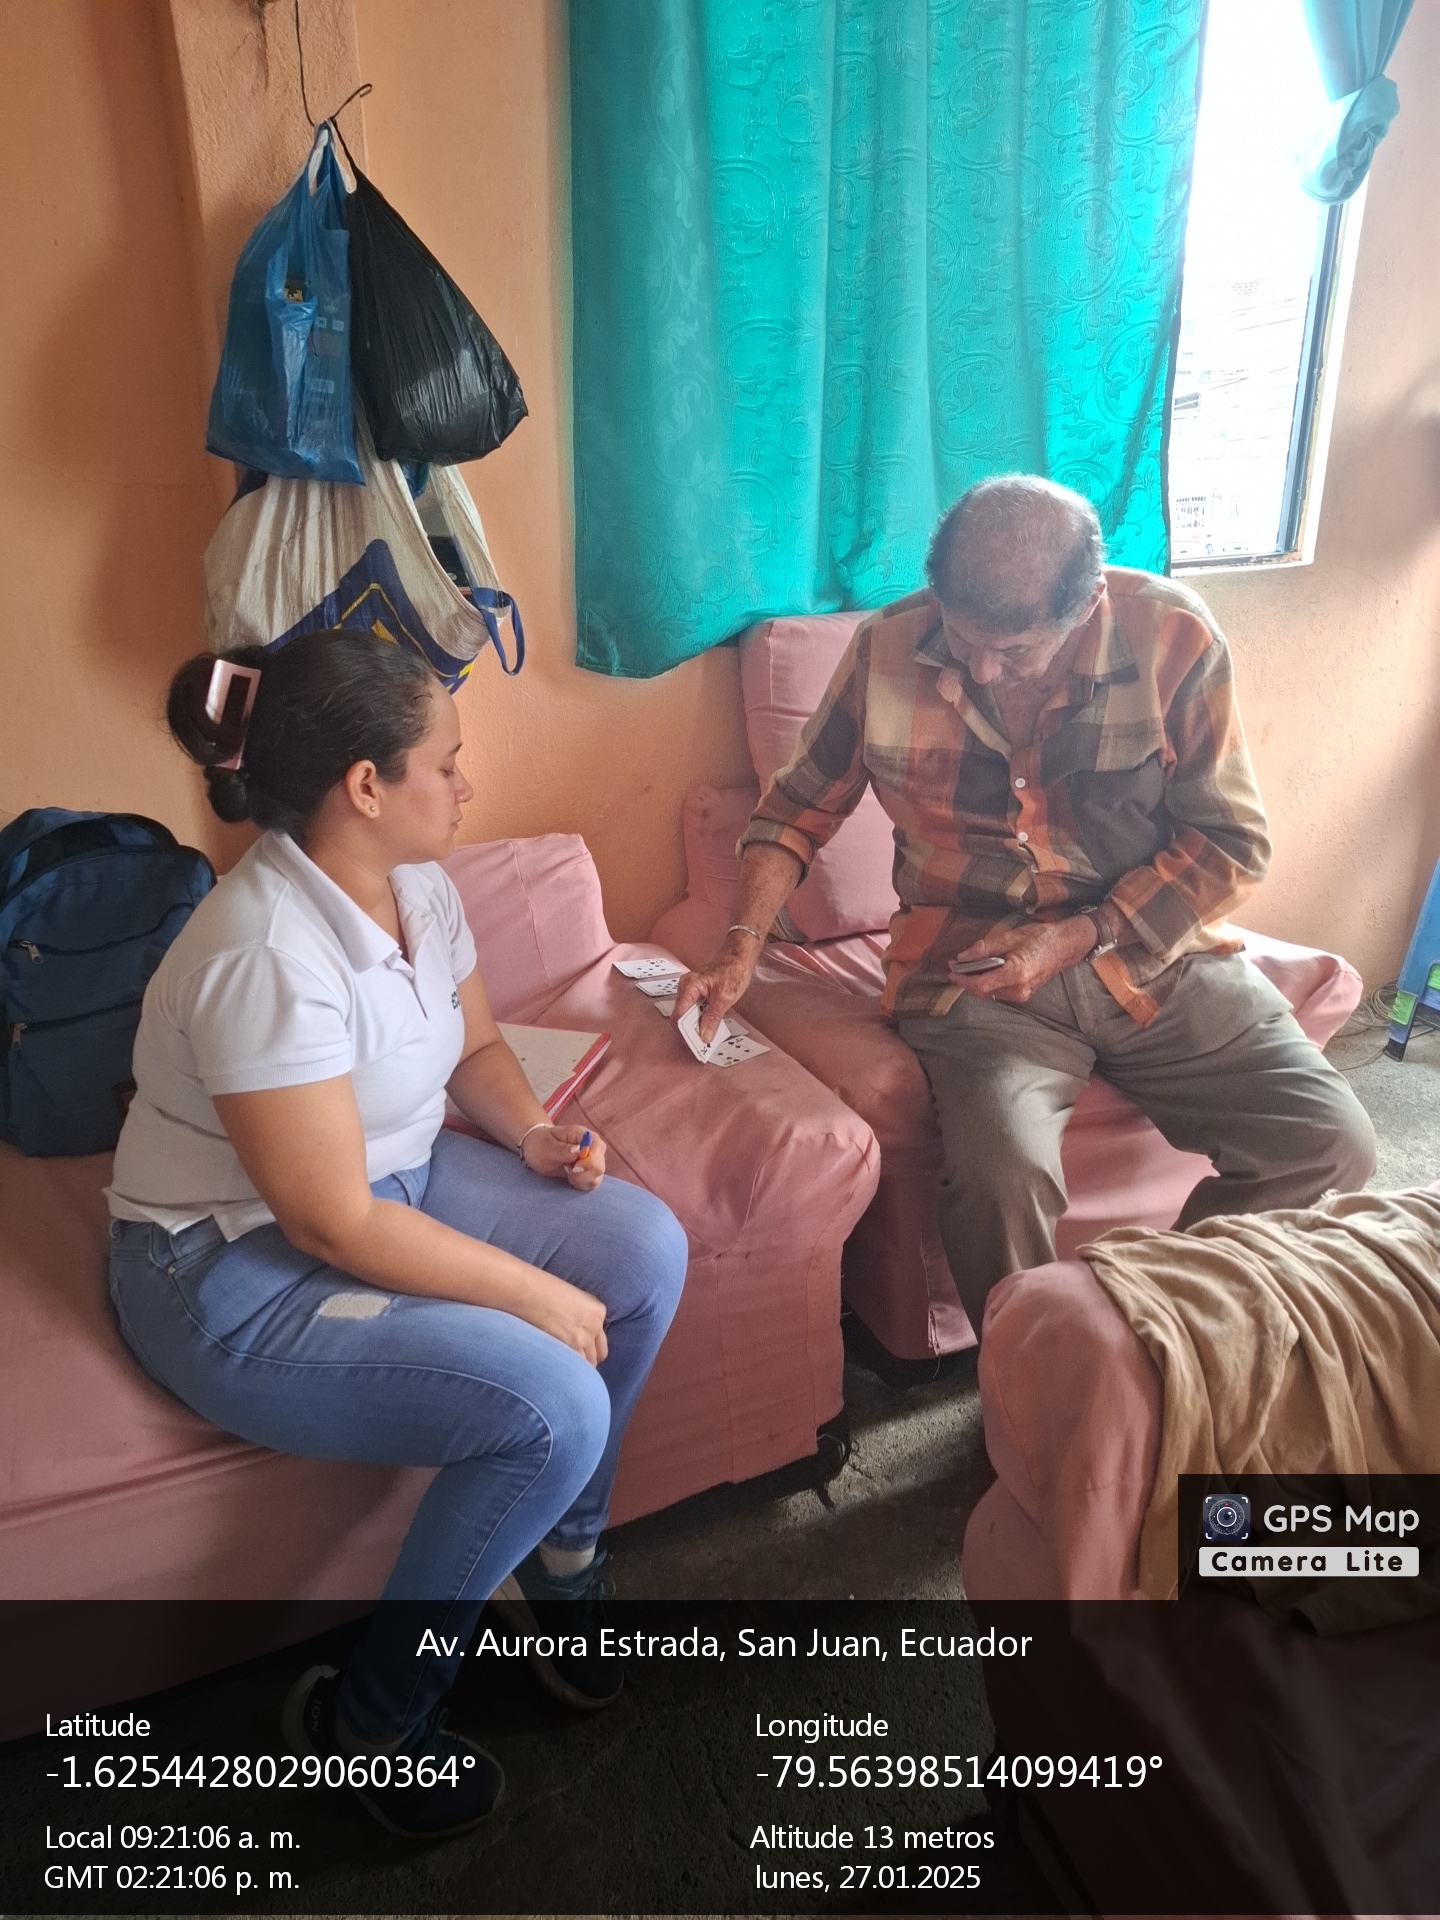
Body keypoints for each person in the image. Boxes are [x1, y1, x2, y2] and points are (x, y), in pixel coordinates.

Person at [107, 630, 687, 1839]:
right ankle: (366, 1726)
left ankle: (564, 1559)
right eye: (448, 762)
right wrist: (527, 1293)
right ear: (365, 786)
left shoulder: (417, 881)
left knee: (642, 1252)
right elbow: (326, 1221)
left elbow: (473, 1046)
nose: (469, 784)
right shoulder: (265, 953)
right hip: (229, 1265)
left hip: (389, 1181)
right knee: (553, 1406)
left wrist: (534, 1135)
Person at [675, 475, 1375, 1334]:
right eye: (961, 637)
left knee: (1330, 1143)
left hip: (1156, 955)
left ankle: (1151, 1332)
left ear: (1087, 605)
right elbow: (792, 813)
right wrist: (741, 945)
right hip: (971, 975)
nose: (979, 669)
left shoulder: (1172, 637)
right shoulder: (885, 649)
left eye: (1013, 652)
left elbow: (1231, 842)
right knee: (1000, 1179)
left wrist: (1082, 934)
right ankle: (1032, 1368)